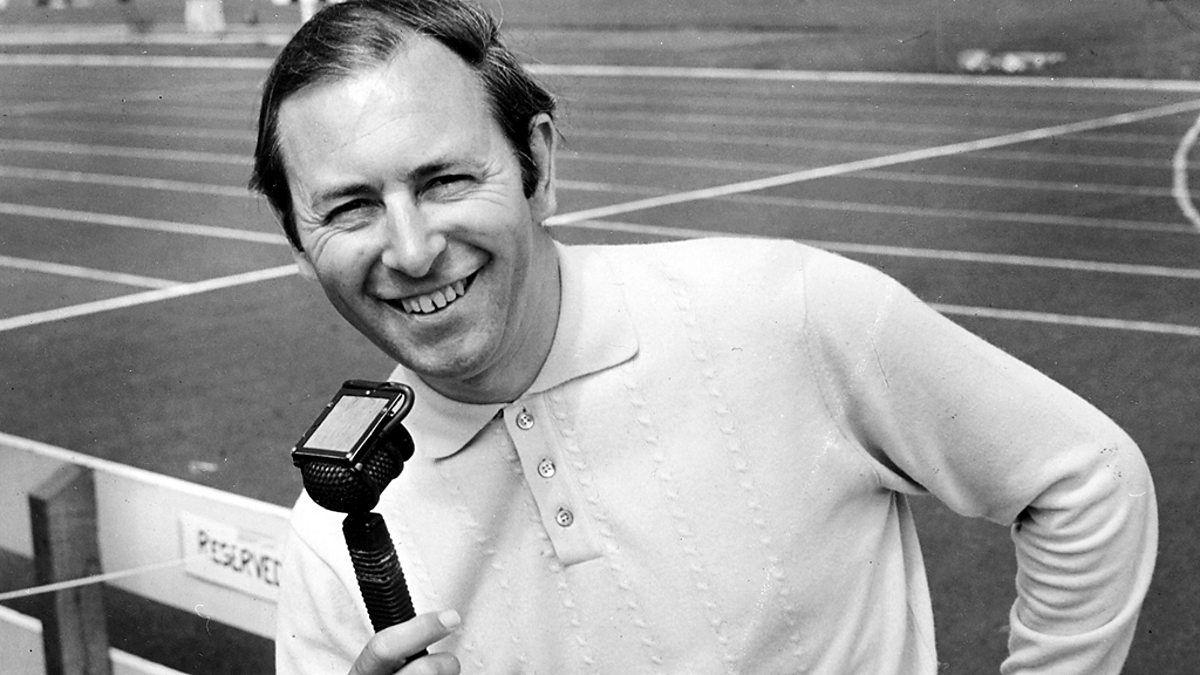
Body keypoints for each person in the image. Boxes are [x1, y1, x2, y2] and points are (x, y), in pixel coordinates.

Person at [250, 1, 1157, 672]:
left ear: (541, 163)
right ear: (299, 246)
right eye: (351, 207)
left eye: (445, 179)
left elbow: (1088, 479)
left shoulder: (787, 312)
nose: (410, 249)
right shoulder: (334, 544)